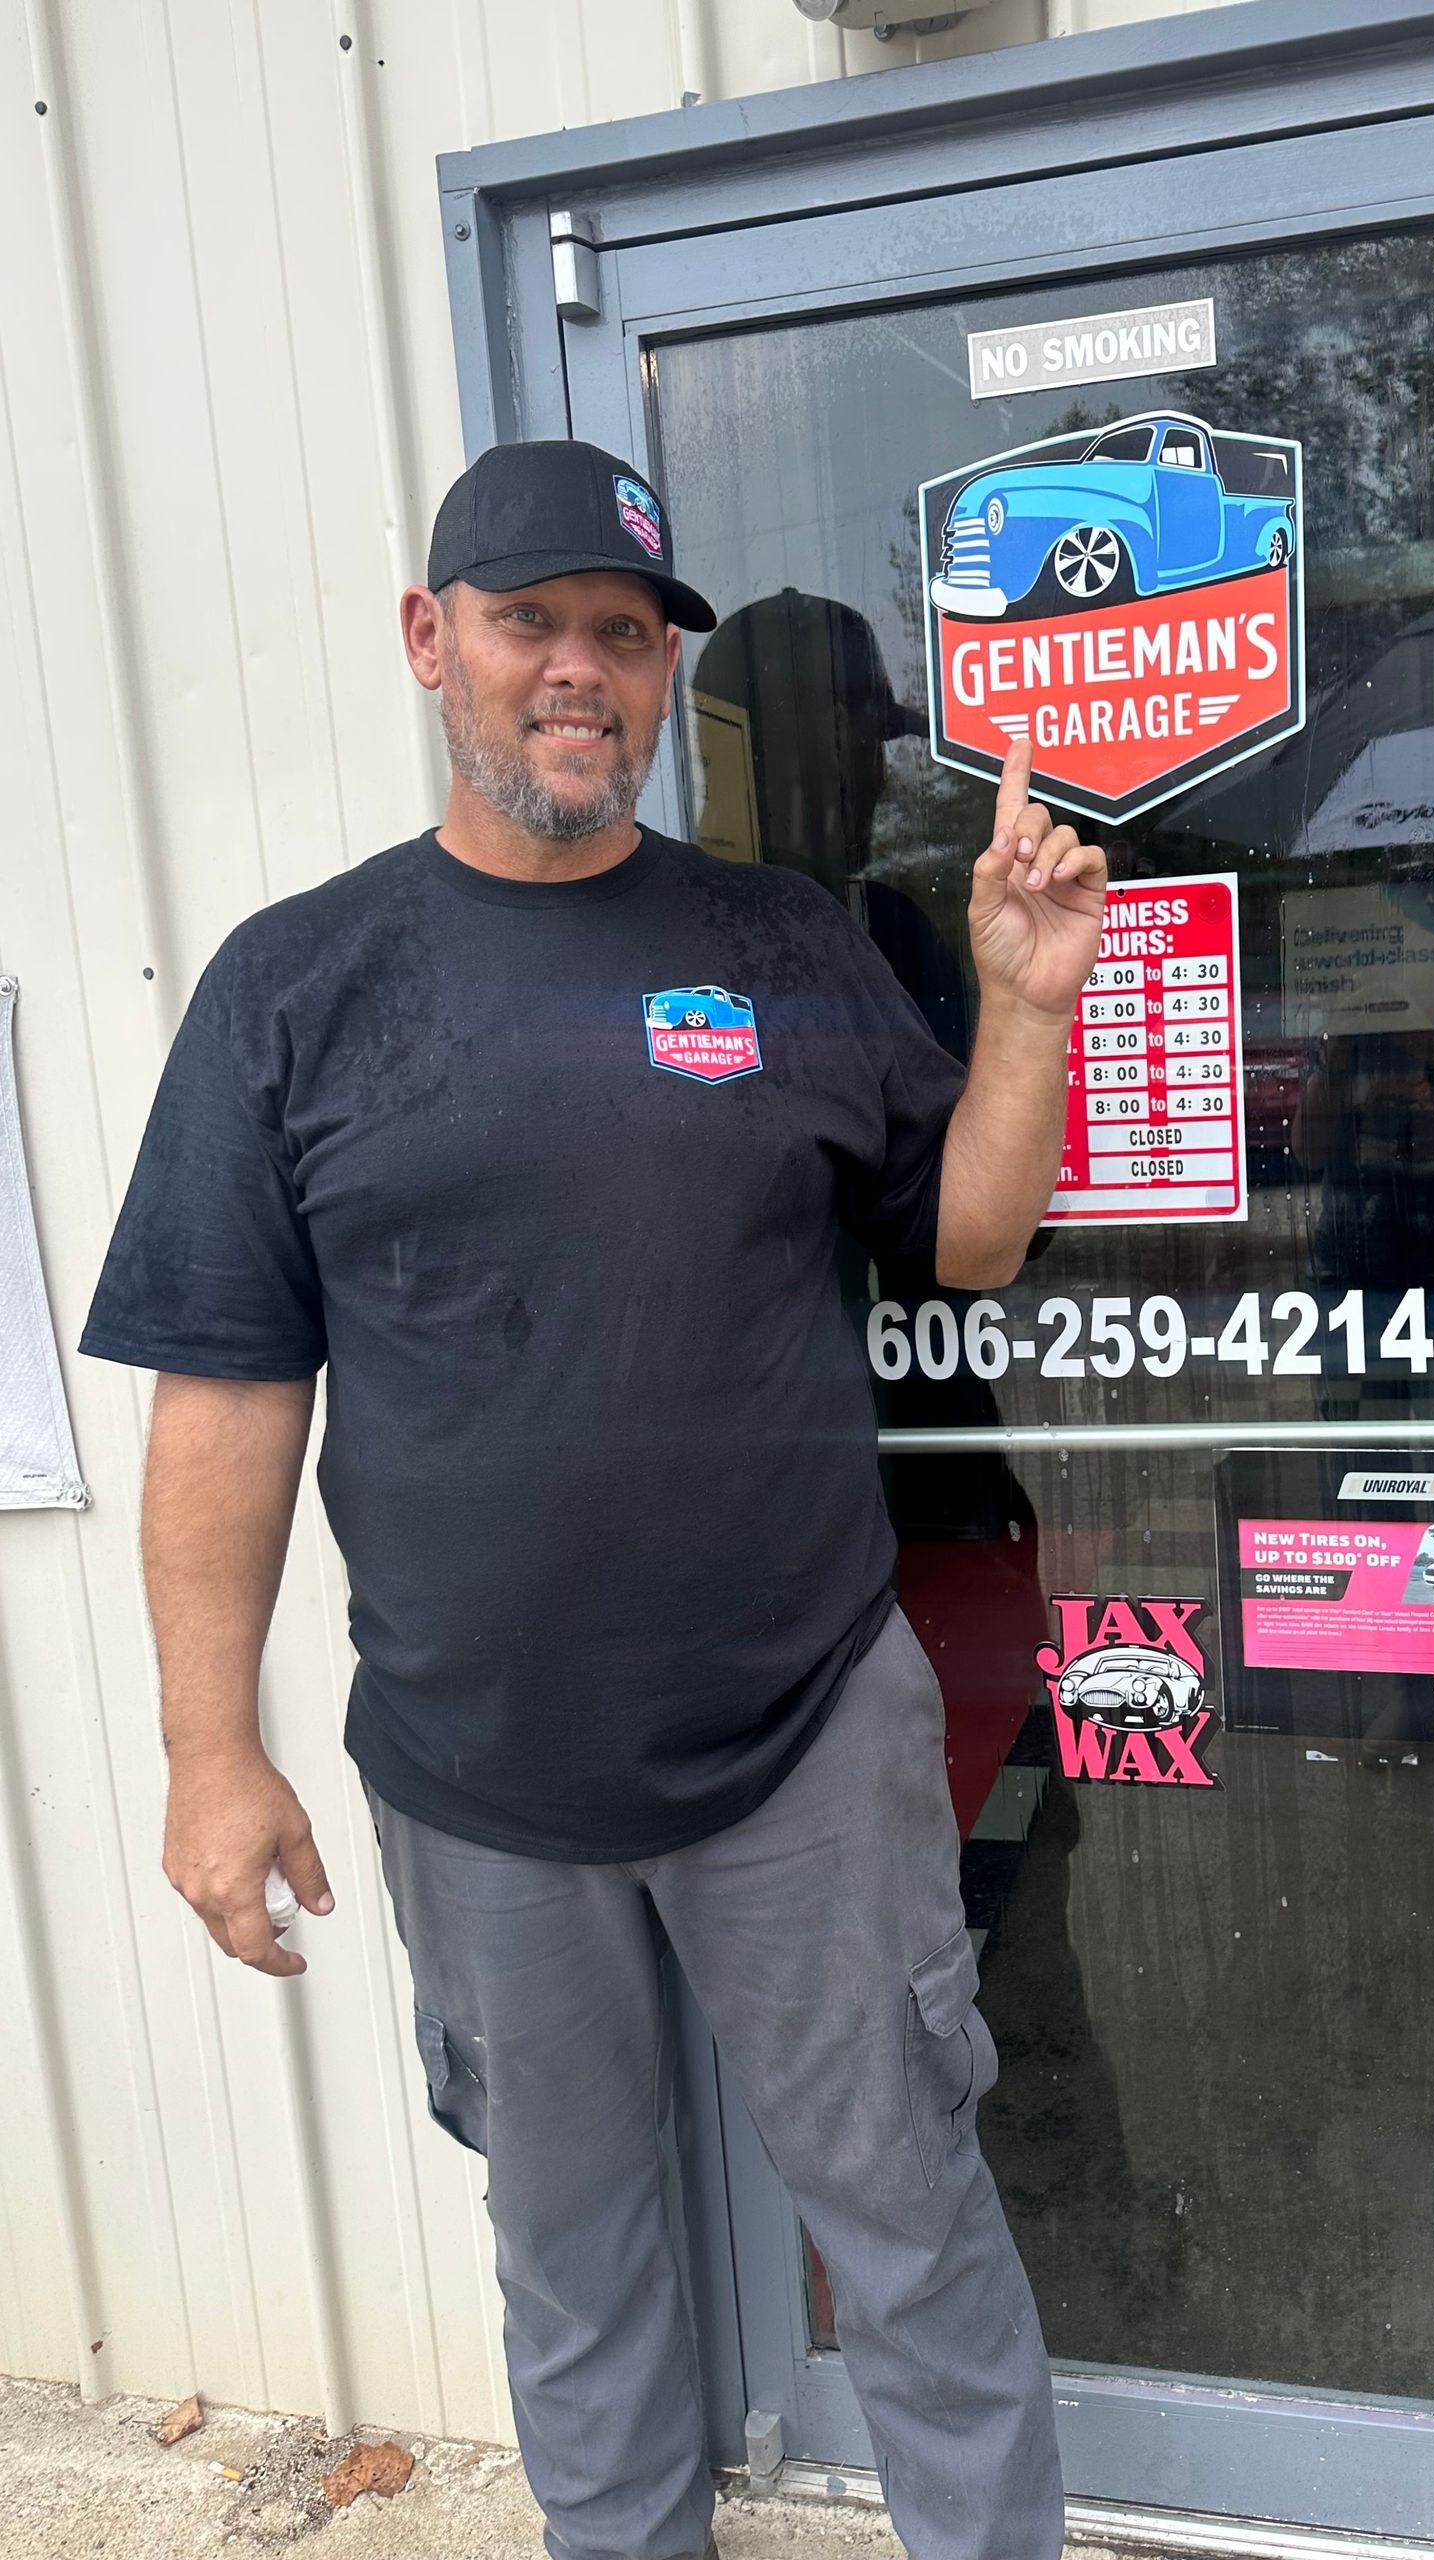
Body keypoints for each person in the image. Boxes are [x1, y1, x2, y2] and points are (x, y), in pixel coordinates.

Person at [80, 438, 1108, 2560]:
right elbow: (228, 1387)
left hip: (805, 1732)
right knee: (576, 2268)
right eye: (529, 621)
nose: (577, 671)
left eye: (620, 637)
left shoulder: (786, 941)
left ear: (663, 679)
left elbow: (975, 1240)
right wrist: (208, 1748)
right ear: (429, 641)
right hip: (474, 1768)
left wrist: (1020, 1011)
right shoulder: (296, 985)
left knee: (910, 2228)